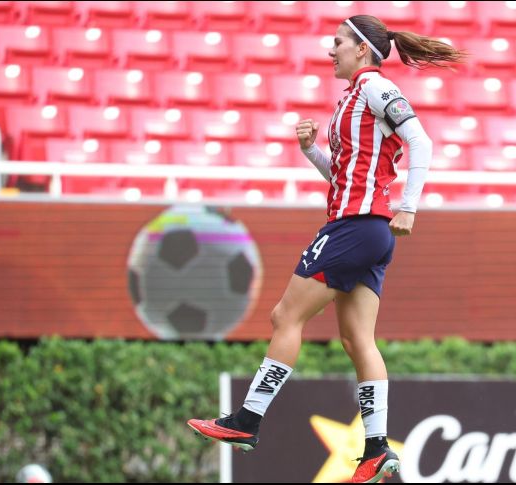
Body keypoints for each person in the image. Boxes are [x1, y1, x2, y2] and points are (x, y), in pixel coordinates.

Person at [188, 15, 466, 483]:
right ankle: (377, 448)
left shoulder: (374, 88)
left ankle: (247, 420)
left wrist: (410, 207)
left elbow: (422, 141)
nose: (329, 50)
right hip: (370, 231)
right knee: (358, 340)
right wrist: (313, 152)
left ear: (362, 50)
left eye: (337, 43)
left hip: (354, 228)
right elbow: (345, 178)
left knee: (285, 317)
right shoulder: (355, 98)